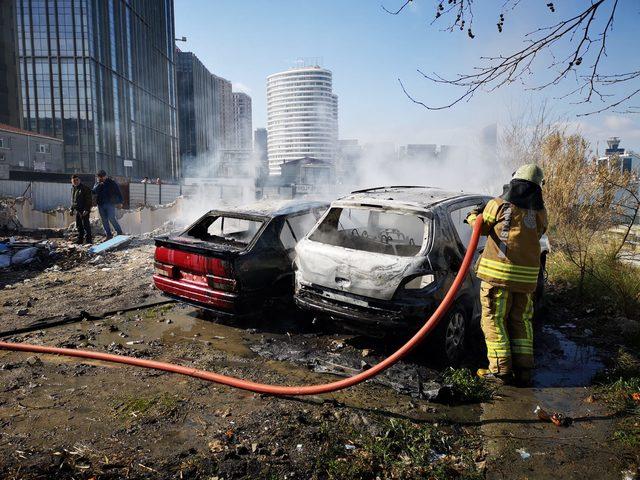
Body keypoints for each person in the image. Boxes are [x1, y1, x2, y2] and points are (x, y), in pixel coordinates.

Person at [466, 164, 548, 386]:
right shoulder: (540, 212)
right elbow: (536, 234)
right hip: (527, 280)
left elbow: (480, 229)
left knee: (494, 320)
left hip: (498, 278)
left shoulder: (498, 204)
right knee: (521, 321)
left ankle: (500, 371)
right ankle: (524, 370)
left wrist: (473, 216)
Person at [92, 170, 124, 240]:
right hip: (100, 204)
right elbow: (93, 191)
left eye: (102, 177)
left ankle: (119, 232)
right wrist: (99, 185)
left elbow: (118, 192)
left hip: (110, 204)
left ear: (105, 176)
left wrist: (120, 202)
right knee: (104, 220)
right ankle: (108, 235)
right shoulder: (97, 183)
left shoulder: (111, 182)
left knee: (111, 218)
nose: (101, 178)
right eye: (99, 177)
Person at [70, 174, 93, 244]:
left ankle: (88, 241)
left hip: (84, 210)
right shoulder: (73, 189)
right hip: (78, 210)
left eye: (77, 180)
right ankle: (80, 240)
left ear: (79, 180)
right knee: (79, 226)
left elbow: (89, 200)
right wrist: (72, 209)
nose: (76, 181)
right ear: (72, 181)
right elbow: (73, 200)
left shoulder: (84, 188)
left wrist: (87, 209)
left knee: (86, 225)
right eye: (74, 180)